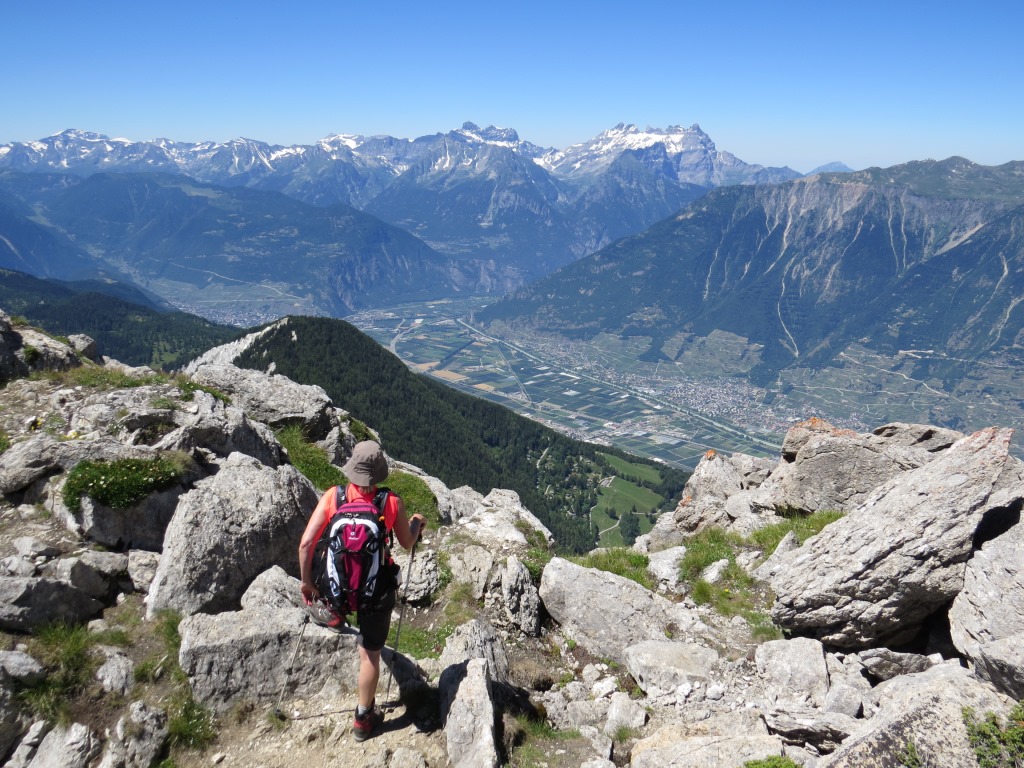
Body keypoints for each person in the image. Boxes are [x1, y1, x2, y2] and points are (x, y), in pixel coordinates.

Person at [298, 440, 425, 741]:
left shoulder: (333, 497)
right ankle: (363, 718)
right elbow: (407, 544)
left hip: (337, 588)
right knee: (370, 653)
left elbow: (305, 545)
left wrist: (307, 583)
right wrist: (417, 523)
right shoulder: (390, 503)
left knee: (330, 582)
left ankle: (331, 612)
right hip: (375, 593)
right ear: (379, 473)